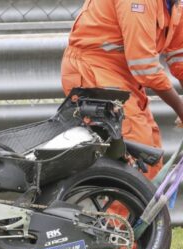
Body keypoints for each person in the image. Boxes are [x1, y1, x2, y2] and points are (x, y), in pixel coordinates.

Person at [62, 0, 183, 179]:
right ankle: (120, 207)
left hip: (123, 78)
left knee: (149, 156)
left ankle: (138, 205)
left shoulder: (174, 5)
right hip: (96, 72)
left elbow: (178, 56)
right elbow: (144, 66)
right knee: (132, 158)